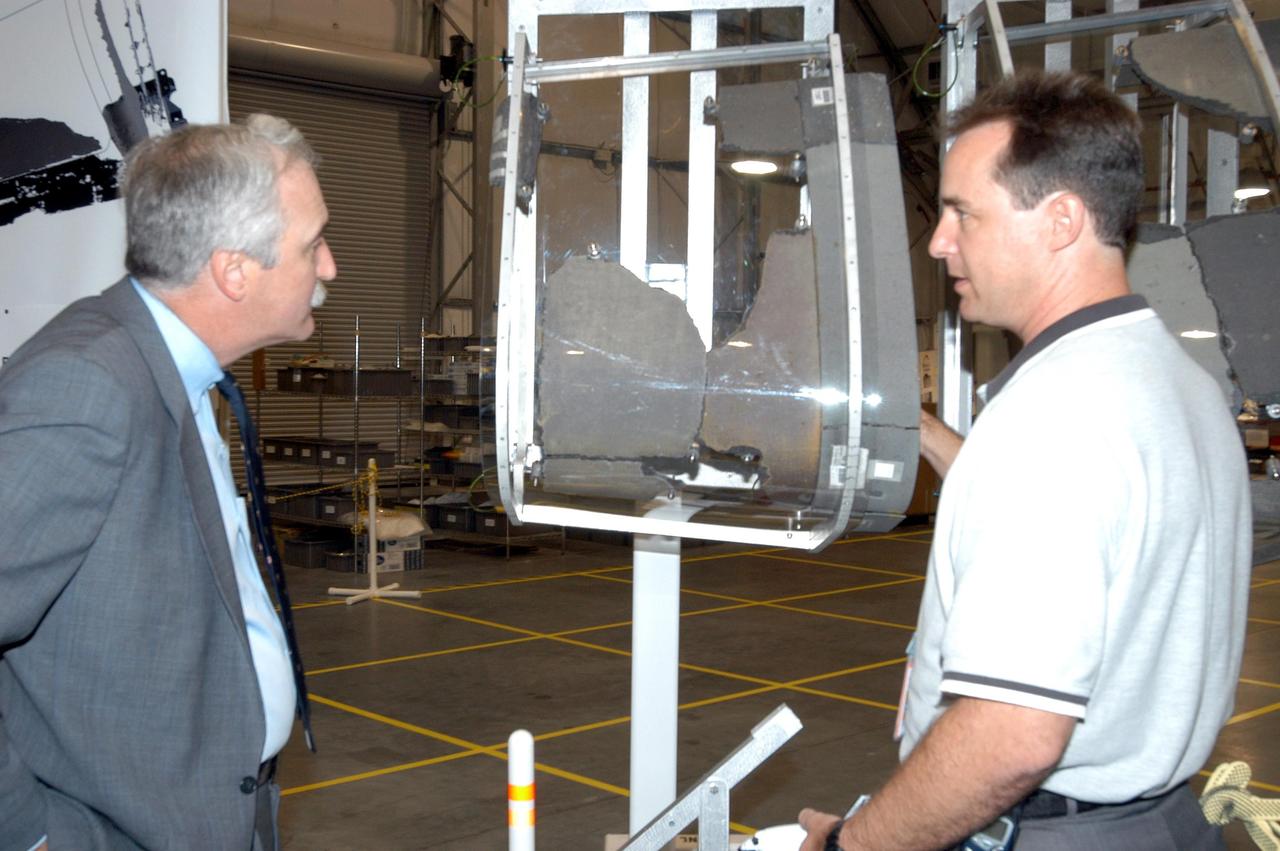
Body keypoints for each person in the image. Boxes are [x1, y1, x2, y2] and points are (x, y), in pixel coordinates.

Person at [798, 71, 1250, 850]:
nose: (939, 241)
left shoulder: (1049, 420)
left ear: (1061, 221)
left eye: (963, 213)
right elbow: (1082, 518)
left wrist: (851, 844)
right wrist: (923, 431)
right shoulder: (1177, 383)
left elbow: (1010, 735)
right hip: (1161, 822)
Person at [0, 114, 336, 850]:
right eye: (312, 244)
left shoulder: (172, 372)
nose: (330, 267)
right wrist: (28, 833)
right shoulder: (87, 389)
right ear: (234, 271)